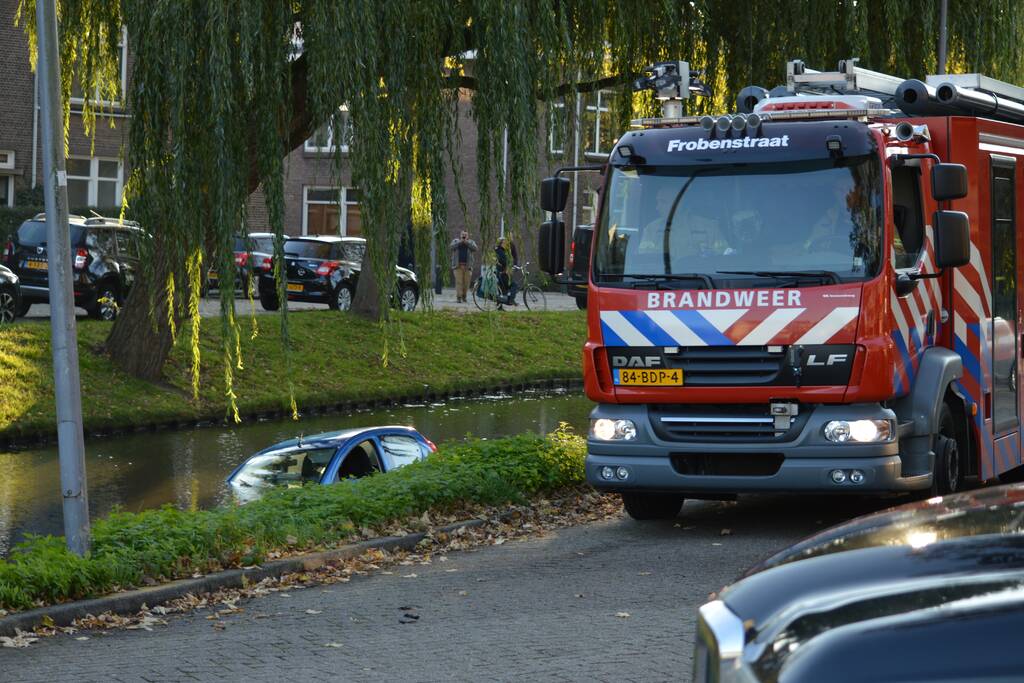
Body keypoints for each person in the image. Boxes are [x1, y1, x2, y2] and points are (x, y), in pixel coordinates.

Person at [449, 230, 478, 303]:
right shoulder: (456, 241)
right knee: (459, 282)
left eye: (465, 235)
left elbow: (475, 248)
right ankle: (459, 297)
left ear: (468, 236)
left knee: (466, 283)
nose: (464, 236)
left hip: (468, 266)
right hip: (457, 266)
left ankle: (464, 296)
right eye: (463, 234)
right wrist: (460, 242)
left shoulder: (471, 242)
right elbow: (451, 247)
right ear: (460, 235)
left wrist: (466, 242)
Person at [495, 236, 519, 305]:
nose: (506, 244)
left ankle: (499, 306)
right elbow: (503, 261)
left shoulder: (500, 250)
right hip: (502, 273)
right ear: (501, 243)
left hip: (502, 272)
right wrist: (509, 265)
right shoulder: (500, 251)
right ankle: (511, 300)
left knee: (502, 290)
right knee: (514, 285)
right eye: (505, 242)